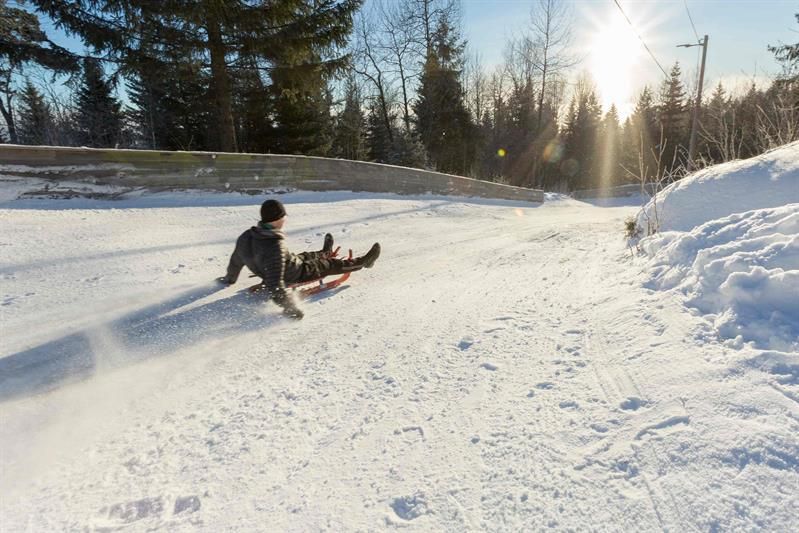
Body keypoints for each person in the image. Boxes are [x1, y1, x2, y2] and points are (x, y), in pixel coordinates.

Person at [220, 199, 381, 320]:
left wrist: (229, 279)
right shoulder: (274, 246)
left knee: (304, 256)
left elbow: (236, 260)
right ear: (277, 219)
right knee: (329, 265)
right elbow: (275, 284)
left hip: (285, 264)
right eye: (283, 217)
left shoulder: (247, 236)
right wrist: (289, 308)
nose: (284, 220)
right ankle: (363, 262)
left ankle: (324, 252)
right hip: (295, 273)